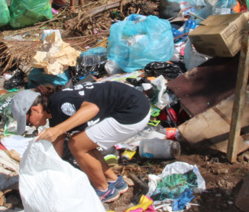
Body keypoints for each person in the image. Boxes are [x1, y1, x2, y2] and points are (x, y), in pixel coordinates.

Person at [12, 81, 151, 203]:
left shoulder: (60, 103)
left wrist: (57, 130)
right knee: (84, 141)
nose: (32, 126)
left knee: (77, 144)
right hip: (135, 106)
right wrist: (49, 170)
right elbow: (57, 150)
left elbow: (92, 109)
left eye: (28, 123)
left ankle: (104, 190)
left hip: (133, 112)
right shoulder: (54, 111)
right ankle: (114, 181)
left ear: (35, 110)